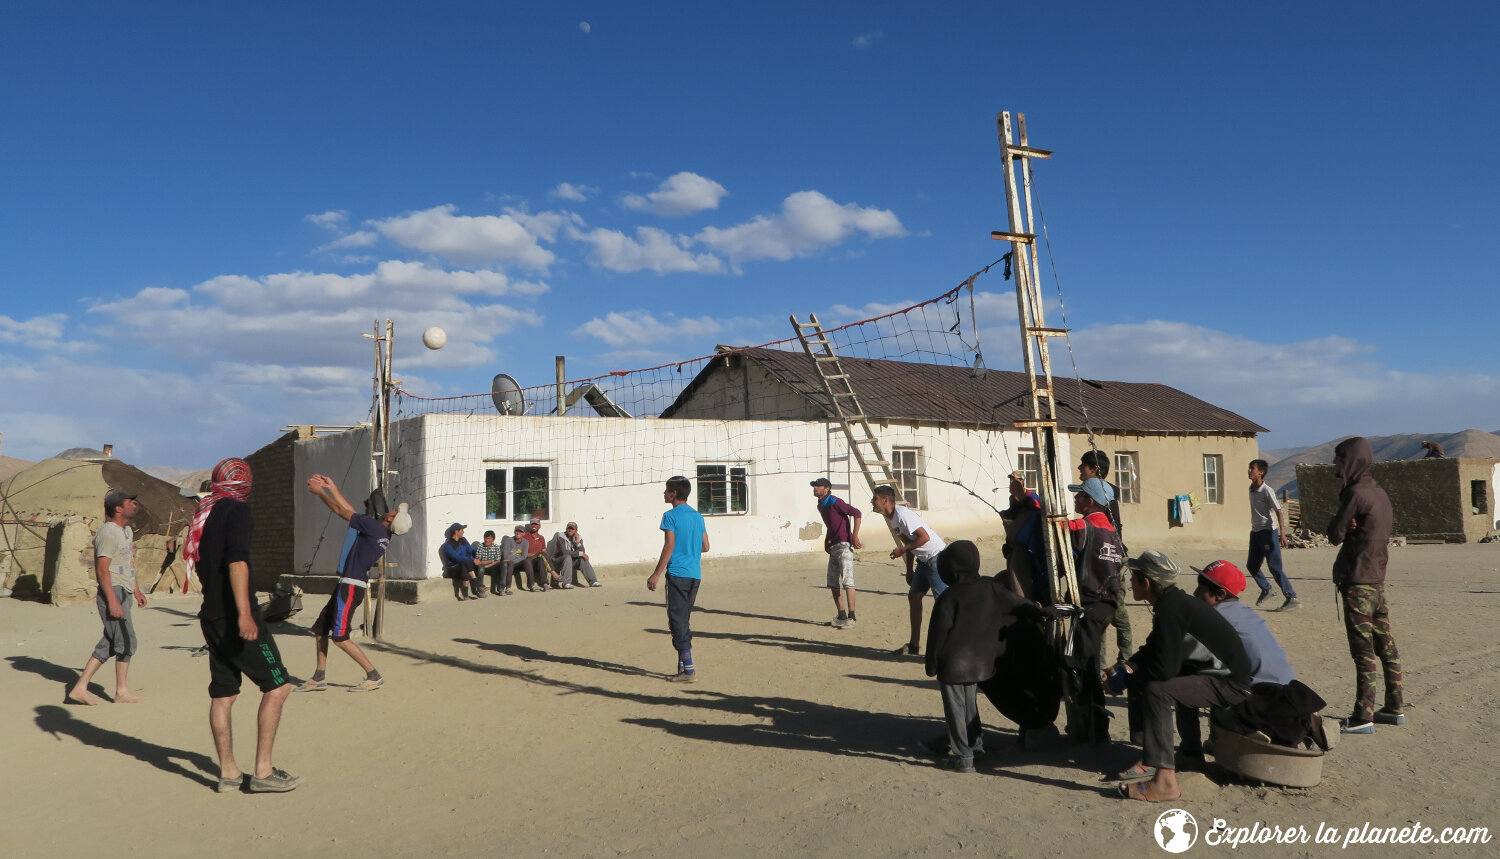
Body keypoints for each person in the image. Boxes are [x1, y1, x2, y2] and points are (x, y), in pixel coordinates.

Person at [187, 458, 300, 793]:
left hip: (211, 616)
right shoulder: (236, 510)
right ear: (243, 483)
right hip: (235, 616)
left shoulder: (205, 514)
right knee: (278, 686)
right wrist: (245, 614)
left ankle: (228, 772)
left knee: (224, 693)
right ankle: (263, 772)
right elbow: (237, 561)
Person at [1104, 549, 1252, 802]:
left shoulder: (1172, 610)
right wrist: (1127, 668)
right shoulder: (1172, 604)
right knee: (1162, 678)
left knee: (1158, 689)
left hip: (1232, 684)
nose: (1130, 583)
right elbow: (1154, 649)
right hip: (1218, 677)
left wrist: (1127, 679)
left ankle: (1165, 782)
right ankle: (1186, 756)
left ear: (1146, 583)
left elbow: (1163, 669)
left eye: (1134, 578)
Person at [922, 541, 1031, 773]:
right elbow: (1019, 604)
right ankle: (976, 745)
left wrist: (931, 664)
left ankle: (963, 757)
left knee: (956, 710)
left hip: (952, 665)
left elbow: (937, 635)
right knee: (969, 705)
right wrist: (1044, 611)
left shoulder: (948, 597)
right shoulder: (990, 588)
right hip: (980, 663)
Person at [297, 475, 410, 693]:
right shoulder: (381, 532)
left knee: (340, 637)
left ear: (390, 519)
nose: (393, 509)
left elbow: (341, 512)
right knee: (321, 629)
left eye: (395, 512)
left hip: (350, 588)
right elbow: (351, 513)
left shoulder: (373, 528)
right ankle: (319, 677)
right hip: (348, 585)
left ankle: (373, 675)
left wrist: (320, 492)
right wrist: (333, 488)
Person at [1328, 436, 1405, 734]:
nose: (1336, 465)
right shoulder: (1380, 493)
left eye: (1339, 458)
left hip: (1357, 583)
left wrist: (1345, 527)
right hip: (1377, 582)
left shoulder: (1355, 494)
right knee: (1386, 646)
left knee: (1363, 652)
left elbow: (1334, 532)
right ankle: (1395, 707)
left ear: (1351, 460)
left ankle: (1364, 716)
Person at [68, 490, 147, 705]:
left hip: (125, 591)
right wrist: (112, 600)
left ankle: (80, 687)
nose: (134, 505)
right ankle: (121, 691)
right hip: (113, 592)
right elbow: (103, 570)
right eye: (130, 502)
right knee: (127, 641)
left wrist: (137, 590)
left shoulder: (127, 531)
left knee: (112, 641)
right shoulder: (108, 533)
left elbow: (127, 563)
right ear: (118, 508)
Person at [1063, 477, 1125, 743]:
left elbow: (1059, 527)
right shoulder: (1112, 529)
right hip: (1108, 604)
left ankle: (1095, 728)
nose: (1075, 501)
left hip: (1090, 603)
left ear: (1089, 501)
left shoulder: (1086, 525)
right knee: (1088, 663)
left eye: (1079, 497)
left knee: (1083, 667)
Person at [872, 484, 947, 656]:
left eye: (875, 499)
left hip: (935, 558)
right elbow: (908, 542)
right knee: (914, 597)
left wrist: (902, 551)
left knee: (944, 604)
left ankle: (949, 646)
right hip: (922, 561)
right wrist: (909, 570)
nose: (872, 502)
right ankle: (914, 645)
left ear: (885, 500)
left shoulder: (903, 514)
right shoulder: (893, 519)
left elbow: (924, 537)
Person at [646, 475, 709, 682]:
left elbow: (669, 545)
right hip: (695, 574)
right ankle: (682, 667)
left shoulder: (670, 515)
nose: (664, 493)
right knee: (683, 620)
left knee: (677, 622)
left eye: (666, 490)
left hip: (678, 574)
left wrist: (656, 573)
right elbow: (706, 546)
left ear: (673, 494)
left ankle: (689, 671)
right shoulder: (698, 516)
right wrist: (690, 548)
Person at [1080, 451, 1133, 667]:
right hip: (1103, 556)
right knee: (1099, 612)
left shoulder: (1103, 493)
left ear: (1094, 469)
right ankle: (1100, 664)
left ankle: (1125, 661)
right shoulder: (1104, 491)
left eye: (1083, 465)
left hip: (1110, 558)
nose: (1079, 469)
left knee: (1116, 613)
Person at [1247, 459, 1300, 610]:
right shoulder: (1251, 489)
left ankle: (1292, 597)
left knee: (1274, 567)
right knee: (1252, 565)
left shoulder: (1266, 490)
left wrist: (1283, 534)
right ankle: (1267, 589)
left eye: (1252, 468)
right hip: (1255, 531)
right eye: (1249, 468)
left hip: (1268, 532)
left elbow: (1279, 512)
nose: (1249, 471)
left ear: (1261, 472)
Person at [810, 477, 863, 628]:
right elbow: (831, 524)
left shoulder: (835, 501)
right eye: (814, 486)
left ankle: (852, 617)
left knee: (848, 580)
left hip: (844, 544)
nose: (815, 488)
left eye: (818, 486)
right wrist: (827, 540)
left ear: (826, 488)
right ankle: (841, 615)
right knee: (833, 582)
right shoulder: (821, 505)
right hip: (834, 546)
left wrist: (855, 535)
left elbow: (857, 513)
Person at [1000, 471, 1046, 602]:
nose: (1012, 482)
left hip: (1031, 544)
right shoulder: (1013, 498)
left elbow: (1035, 517)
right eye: (1011, 479)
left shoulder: (1032, 498)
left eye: (1016, 480)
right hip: (1016, 542)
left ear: (1023, 482)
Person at [548, 522, 601, 588]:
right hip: (558, 560)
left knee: (582, 559)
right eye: (568, 528)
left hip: (570, 561)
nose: (570, 530)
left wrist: (578, 542)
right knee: (568, 557)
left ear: (576, 531)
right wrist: (580, 553)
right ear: (566, 529)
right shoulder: (560, 536)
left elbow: (582, 552)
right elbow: (564, 552)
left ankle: (593, 581)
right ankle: (566, 583)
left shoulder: (578, 538)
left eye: (572, 529)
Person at [440, 522, 480, 600]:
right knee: (465, 563)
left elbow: (470, 550)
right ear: (456, 531)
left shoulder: (463, 540)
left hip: (464, 566)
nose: (463, 532)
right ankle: (477, 585)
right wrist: (472, 559)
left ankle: (467, 594)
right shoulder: (448, 545)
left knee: (467, 564)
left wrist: (477, 557)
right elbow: (457, 558)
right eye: (462, 530)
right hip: (453, 568)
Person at [523, 519, 559, 590]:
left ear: (539, 526)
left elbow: (544, 551)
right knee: (541, 554)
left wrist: (543, 556)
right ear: (530, 526)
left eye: (536, 524)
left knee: (541, 560)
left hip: (538, 560)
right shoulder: (525, 536)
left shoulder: (541, 538)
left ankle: (545, 584)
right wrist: (536, 554)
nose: (534, 526)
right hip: (529, 559)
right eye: (532, 524)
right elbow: (523, 553)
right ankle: (553, 573)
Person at [501, 525, 538, 592]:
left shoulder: (525, 542)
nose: (518, 533)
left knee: (527, 561)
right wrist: (518, 557)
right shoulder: (508, 541)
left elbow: (524, 556)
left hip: (519, 563)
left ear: (524, 533)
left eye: (520, 532)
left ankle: (531, 585)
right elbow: (506, 557)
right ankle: (508, 587)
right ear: (514, 532)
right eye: (517, 531)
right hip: (510, 564)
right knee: (510, 563)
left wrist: (513, 557)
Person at [474, 530, 511, 595]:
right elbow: (478, 562)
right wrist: (492, 560)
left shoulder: (496, 547)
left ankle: (501, 588)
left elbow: (498, 560)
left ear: (493, 540)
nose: (486, 540)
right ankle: (481, 590)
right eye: (485, 538)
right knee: (481, 568)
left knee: (504, 564)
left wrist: (488, 564)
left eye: (489, 538)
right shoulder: (480, 546)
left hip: (492, 567)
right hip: (483, 568)